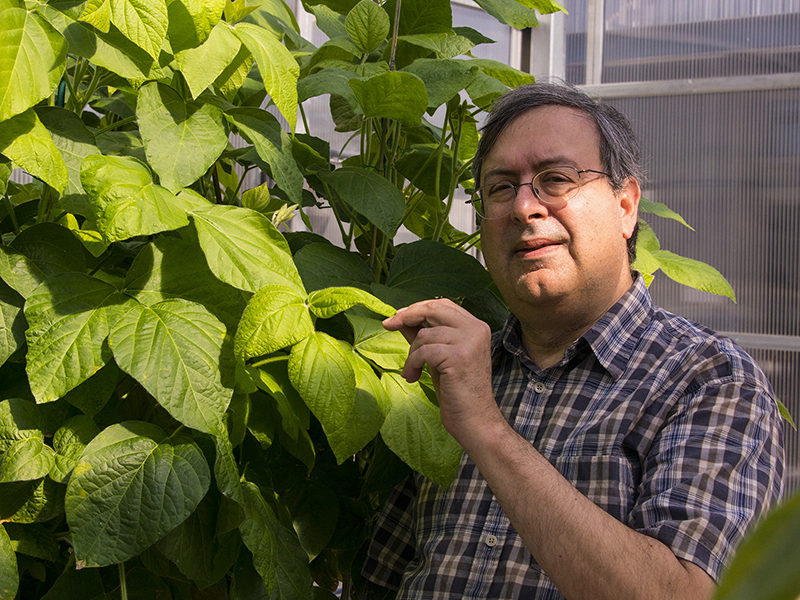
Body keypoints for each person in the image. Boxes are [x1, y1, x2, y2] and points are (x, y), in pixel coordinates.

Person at [360, 82, 785, 600]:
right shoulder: (458, 370)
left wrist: (486, 428)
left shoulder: (709, 378)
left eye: (556, 179)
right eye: (499, 188)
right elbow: (381, 578)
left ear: (626, 205)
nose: (523, 207)